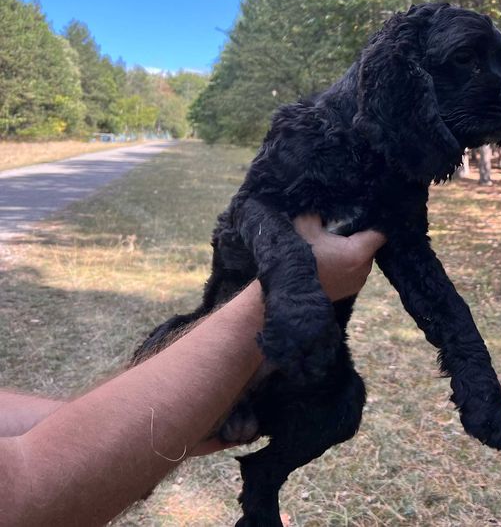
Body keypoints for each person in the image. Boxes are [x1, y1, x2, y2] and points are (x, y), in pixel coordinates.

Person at [0, 214, 386, 527]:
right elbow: (20, 501)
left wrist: (138, 436)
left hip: (301, 376)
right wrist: (283, 292)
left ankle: (261, 488)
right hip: (264, 334)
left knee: (342, 407)